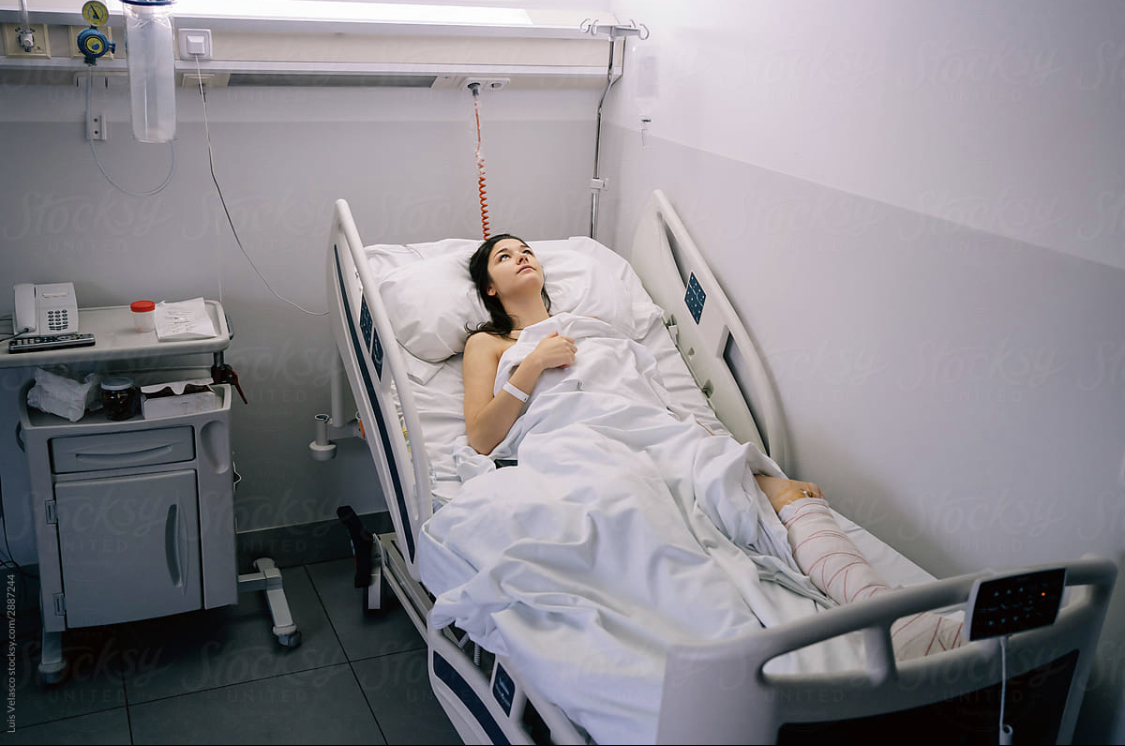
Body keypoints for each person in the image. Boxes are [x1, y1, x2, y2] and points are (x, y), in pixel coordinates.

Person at [460, 233, 964, 660]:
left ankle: (900, 622)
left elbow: (653, 402)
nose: (522, 257)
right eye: (505, 256)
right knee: (645, 518)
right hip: (580, 443)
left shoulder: (595, 330)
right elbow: (482, 437)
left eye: (526, 251)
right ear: (489, 287)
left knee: (787, 494)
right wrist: (533, 364)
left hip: (658, 433)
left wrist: (718, 448)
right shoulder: (489, 344)